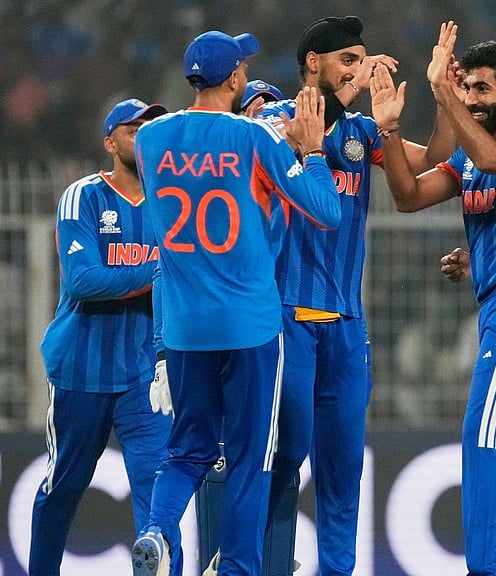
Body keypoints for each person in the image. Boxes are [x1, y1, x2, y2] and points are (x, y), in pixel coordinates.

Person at [219, 15, 452, 576]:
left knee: (343, 468)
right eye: (347, 59)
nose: (360, 68)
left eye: (361, 58)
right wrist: (349, 97)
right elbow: (297, 128)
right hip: (285, 318)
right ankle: (260, 566)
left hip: (346, 323)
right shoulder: (273, 123)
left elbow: (435, 159)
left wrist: (442, 91)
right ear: (312, 65)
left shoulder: (362, 135)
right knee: (281, 459)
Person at [130, 29, 342, 576]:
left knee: (187, 451)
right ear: (233, 78)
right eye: (243, 64)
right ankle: (238, 570)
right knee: (251, 460)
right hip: (248, 324)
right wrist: (312, 150)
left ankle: (156, 530)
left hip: (182, 326)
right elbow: (326, 211)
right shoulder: (253, 140)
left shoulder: (153, 139)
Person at [370, 22, 496, 575]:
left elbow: (488, 160)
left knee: (483, 437)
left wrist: (443, 96)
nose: (472, 100)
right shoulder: (471, 151)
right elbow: (409, 197)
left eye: (481, 89)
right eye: (467, 88)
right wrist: (388, 133)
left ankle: (485, 568)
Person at [30, 98, 170, 576]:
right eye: (133, 129)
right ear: (110, 143)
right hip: (80, 370)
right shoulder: (83, 196)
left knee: (157, 496)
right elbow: (83, 281)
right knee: (63, 487)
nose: (144, 135)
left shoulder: (174, 200)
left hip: (144, 375)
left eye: (152, 128)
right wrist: (157, 272)